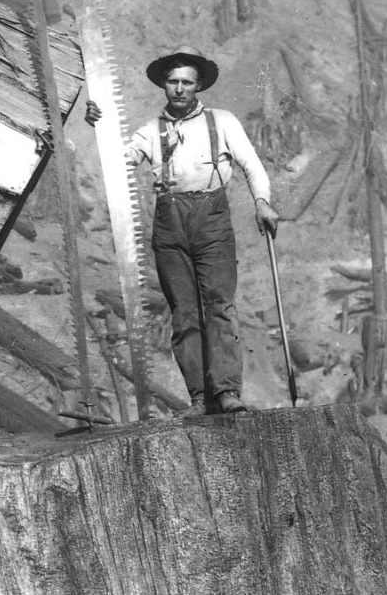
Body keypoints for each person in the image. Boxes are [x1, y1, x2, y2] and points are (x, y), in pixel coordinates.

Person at [84, 50, 280, 414]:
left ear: (198, 85)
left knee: (219, 305)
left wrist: (262, 202)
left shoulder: (221, 122)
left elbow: (252, 164)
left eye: (186, 82)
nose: (179, 89)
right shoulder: (150, 130)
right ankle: (199, 397)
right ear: (164, 84)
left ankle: (227, 392)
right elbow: (118, 160)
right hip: (169, 223)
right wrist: (99, 125)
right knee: (184, 311)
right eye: (173, 82)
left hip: (212, 220)